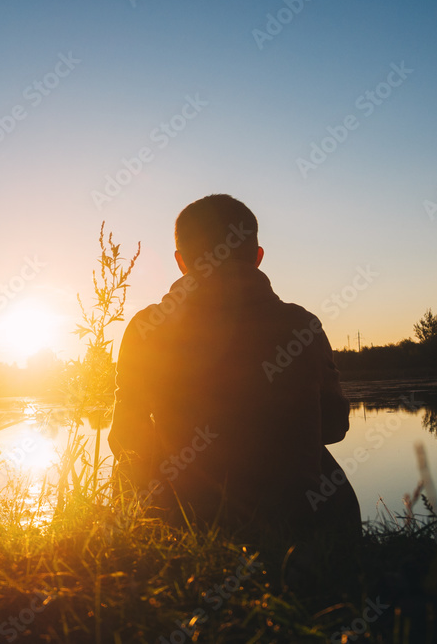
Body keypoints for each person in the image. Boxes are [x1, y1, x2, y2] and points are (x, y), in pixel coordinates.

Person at [108, 194, 360, 540]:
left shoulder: (146, 328)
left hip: (185, 519)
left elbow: (125, 438)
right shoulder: (302, 326)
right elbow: (333, 427)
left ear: (181, 262)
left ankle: (138, 546)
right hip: (298, 522)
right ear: (257, 257)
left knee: (130, 467)